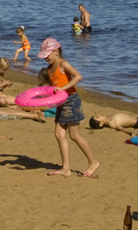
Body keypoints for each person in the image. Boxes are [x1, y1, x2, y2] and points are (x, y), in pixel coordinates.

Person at [38, 38, 99, 178]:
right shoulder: (49, 68)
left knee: (74, 135)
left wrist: (63, 89)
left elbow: (78, 76)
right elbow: (53, 86)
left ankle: (93, 162)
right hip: (61, 102)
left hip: (71, 101)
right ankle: (66, 168)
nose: (46, 58)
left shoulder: (63, 64)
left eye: (47, 55)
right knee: (59, 134)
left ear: (56, 51)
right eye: (44, 56)